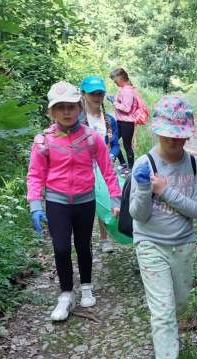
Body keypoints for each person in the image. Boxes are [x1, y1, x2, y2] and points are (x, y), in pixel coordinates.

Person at [129, 95, 197, 359]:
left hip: (183, 244)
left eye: (179, 134)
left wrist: (165, 191)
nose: (174, 140)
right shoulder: (144, 164)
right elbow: (138, 215)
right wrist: (144, 189)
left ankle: (170, 343)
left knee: (178, 305)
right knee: (162, 312)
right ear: (157, 131)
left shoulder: (195, 165)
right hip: (150, 243)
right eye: (168, 134)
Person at [27, 81, 122, 321]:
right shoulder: (44, 141)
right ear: (52, 112)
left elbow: (107, 169)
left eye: (71, 106)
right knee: (60, 247)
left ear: (79, 108)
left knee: (82, 245)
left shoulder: (91, 138)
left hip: (85, 200)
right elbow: (35, 175)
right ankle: (66, 293)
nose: (66, 112)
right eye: (60, 108)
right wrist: (35, 205)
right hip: (57, 201)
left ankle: (87, 286)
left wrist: (115, 198)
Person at [80, 75, 121, 253]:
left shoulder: (110, 120)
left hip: (104, 167)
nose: (97, 97)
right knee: (86, 205)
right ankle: (84, 239)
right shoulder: (77, 120)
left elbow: (115, 145)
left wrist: (111, 155)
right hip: (83, 168)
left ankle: (105, 238)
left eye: (100, 93)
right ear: (83, 94)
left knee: (103, 201)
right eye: (93, 93)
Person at [108, 68, 146, 170]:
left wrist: (114, 102)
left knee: (127, 146)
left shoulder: (127, 91)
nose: (114, 81)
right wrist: (115, 100)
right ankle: (123, 163)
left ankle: (131, 168)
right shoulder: (124, 89)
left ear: (120, 77)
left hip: (127, 123)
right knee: (113, 141)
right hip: (120, 122)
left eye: (114, 79)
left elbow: (127, 108)